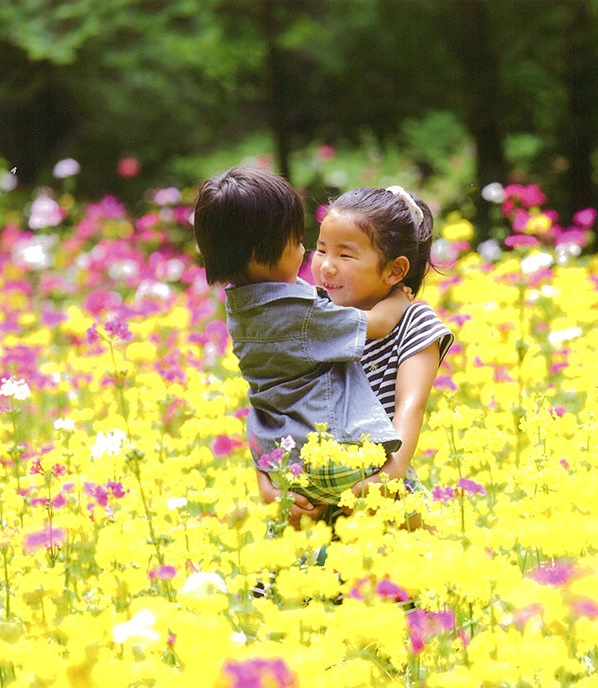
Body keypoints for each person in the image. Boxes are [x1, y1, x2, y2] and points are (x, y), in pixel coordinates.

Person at [193, 167, 410, 523]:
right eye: (298, 242)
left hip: (285, 462)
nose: (306, 252)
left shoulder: (242, 309)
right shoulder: (297, 314)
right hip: (331, 455)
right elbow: (379, 324)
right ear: (265, 254)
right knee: (410, 505)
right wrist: (402, 293)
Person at [257, 185, 454, 529]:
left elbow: (411, 407)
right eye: (320, 250)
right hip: (307, 504)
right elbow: (272, 399)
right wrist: (267, 482)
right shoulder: (310, 315)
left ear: (395, 271)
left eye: (345, 255)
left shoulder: (414, 323)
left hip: (378, 495)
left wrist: (390, 476)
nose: (326, 267)